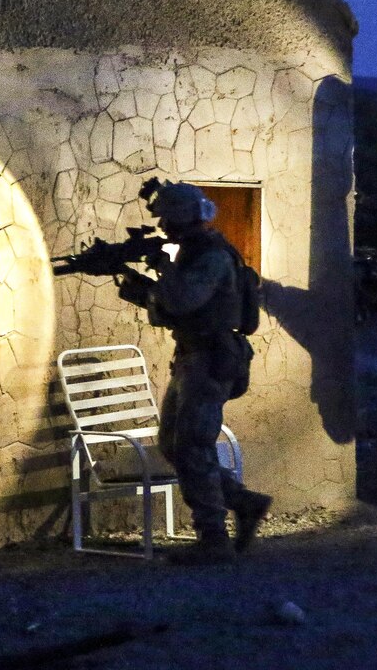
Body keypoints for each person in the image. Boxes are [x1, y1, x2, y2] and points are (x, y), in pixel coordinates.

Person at [116, 181, 271, 564]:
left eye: (168, 217)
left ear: (185, 216)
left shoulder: (210, 255)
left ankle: (213, 540)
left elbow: (185, 298)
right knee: (172, 443)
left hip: (210, 359)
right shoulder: (193, 253)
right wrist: (136, 284)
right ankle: (241, 501)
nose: (163, 225)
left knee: (192, 445)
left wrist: (161, 269)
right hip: (192, 357)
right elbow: (174, 306)